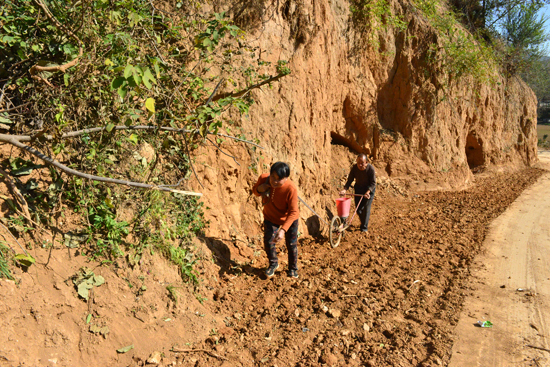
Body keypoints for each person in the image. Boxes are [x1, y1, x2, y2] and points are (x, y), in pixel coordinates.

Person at [252, 162, 300, 279]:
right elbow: (254, 191)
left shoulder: (290, 188)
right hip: (270, 217)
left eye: (278, 179)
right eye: (273, 177)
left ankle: (293, 269)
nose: (274, 181)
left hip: (289, 219)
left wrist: (283, 230)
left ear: (286, 178)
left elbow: (293, 212)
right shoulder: (264, 178)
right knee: (269, 241)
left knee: (291, 244)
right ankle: (273, 264)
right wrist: (260, 188)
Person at [339, 154, 376, 233]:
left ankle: (364, 228)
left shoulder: (370, 169)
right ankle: (363, 222)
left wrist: (368, 192)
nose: (360, 165)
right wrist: (345, 189)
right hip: (359, 188)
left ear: (366, 162)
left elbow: (373, 183)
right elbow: (350, 180)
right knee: (358, 209)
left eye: (362, 163)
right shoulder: (355, 168)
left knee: (366, 208)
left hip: (369, 190)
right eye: (358, 163)